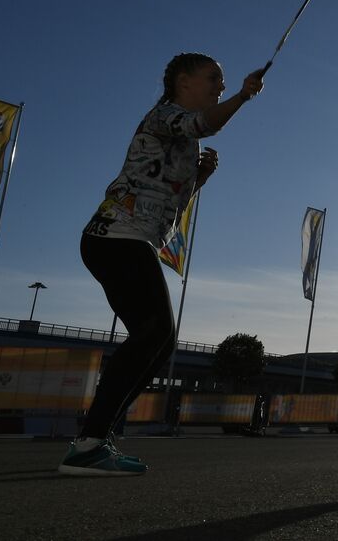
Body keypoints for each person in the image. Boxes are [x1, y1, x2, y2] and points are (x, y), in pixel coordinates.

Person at [59, 54, 264, 476]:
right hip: (116, 237)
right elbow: (204, 123)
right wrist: (244, 96)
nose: (220, 88)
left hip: (126, 242)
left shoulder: (187, 141)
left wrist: (199, 179)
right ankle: (90, 442)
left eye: (224, 84)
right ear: (183, 81)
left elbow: (171, 201)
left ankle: (97, 436)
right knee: (154, 332)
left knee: (157, 341)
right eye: (214, 80)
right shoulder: (164, 115)